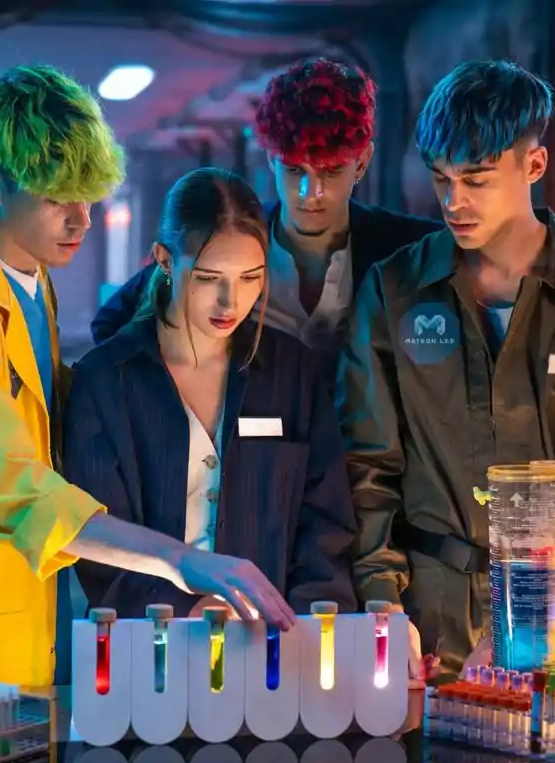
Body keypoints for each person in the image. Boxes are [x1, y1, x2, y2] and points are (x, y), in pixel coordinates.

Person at [0, 65, 295, 687]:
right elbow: (7, 487)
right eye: (58, 200)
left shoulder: (30, 283)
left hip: (25, 615)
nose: (82, 219)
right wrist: (176, 560)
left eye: (89, 196)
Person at [339, 60, 555, 676]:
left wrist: (532, 613)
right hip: (423, 621)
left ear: (533, 167)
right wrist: (381, 606)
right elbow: (365, 464)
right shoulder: (395, 290)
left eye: (476, 180)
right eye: (440, 180)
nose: (453, 202)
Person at [63, 167, 357, 620]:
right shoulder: (104, 383)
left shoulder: (293, 375)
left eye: (249, 278)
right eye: (208, 277)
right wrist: (189, 610)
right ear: (163, 259)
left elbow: (325, 524)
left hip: (277, 646)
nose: (230, 302)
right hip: (146, 645)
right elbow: (98, 548)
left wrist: (310, 631)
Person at [90, 57, 442, 359]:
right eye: (294, 170)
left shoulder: (409, 249)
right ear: (272, 159)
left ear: (362, 163)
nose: (311, 192)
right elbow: (111, 323)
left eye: (332, 171)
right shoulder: (228, 232)